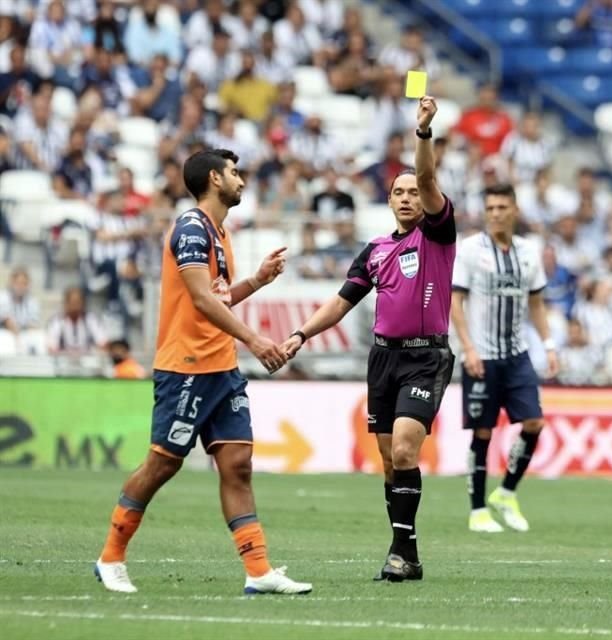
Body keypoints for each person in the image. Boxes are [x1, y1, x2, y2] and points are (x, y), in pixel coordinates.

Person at [94, 149, 311, 595]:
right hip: (186, 367)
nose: (242, 181)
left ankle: (258, 571)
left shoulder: (219, 232)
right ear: (214, 178)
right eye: (234, 173)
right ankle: (110, 557)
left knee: (238, 464)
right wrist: (254, 340)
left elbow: (219, 296)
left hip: (221, 367)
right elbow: (199, 299)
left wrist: (256, 280)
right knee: (163, 464)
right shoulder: (191, 228)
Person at [282, 97, 453, 582]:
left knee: (403, 450)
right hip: (383, 360)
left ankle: (401, 554)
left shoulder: (438, 235)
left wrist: (422, 133)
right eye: (398, 192)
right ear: (389, 200)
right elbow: (340, 303)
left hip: (427, 359)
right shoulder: (375, 250)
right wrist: (299, 334)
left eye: (413, 192)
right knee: (386, 461)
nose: (407, 197)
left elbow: (426, 178)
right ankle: (407, 553)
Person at [450, 183, 560, 533]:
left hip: (517, 354)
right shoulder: (470, 250)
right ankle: (477, 509)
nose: (495, 213)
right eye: (490, 207)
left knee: (534, 424)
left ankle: (506, 492)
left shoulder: (529, 252)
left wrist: (550, 344)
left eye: (502, 207)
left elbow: (537, 303)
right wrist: (467, 347)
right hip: (481, 355)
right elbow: (455, 301)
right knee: (483, 432)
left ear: (515, 210)